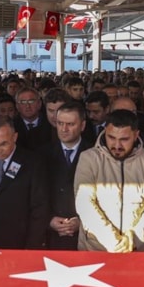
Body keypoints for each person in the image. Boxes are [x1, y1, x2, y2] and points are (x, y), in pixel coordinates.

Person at [74, 109, 144, 253]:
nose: (117, 145)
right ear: (105, 131)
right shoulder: (88, 159)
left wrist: (134, 239)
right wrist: (110, 240)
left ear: (136, 135)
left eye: (124, 139)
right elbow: (84, 203)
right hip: (94, 250)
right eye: (111, 137)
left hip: (136, 250)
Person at [0, 115, 49, 249]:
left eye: (3, 144)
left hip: (20, 243)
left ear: (14, 137)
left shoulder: (33, 163)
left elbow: (39, 208)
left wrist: (32, 246)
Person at [43, 101, 92, 250]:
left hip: (86, 238)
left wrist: (82, 222)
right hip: (51, 237)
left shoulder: (95, 155)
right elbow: (35, 196)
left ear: (82, 126)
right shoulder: (41, 155)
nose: (64, 129)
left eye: (70, 124)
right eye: (60, 123)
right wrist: (49, 219)